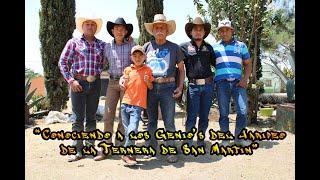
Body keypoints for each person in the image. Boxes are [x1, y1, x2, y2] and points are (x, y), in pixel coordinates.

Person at [58, 15, 106, 162]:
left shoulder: (102, 45)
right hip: (78, 83)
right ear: (82, 27)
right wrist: (71, 81)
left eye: (93, 24)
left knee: (91, 117)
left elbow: (111, 57)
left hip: (95, 83)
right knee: (78, 118)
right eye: (87, 24)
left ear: (96, 28)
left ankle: (89, 147)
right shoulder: (73, 42)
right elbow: (63, 62)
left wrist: (127, 39)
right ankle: (77, 150)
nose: (90, 26)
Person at [143, 14, 185, 163]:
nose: (159, 29)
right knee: (151, 121)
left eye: (162, 27)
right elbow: (138, 66)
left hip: (169, 87)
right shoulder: (146, 47)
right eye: (157, 27)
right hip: (151, 88)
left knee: (169, 121)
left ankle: (171, 150)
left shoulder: (175, 48)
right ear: (153, 31)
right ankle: (150, 148)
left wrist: (180, 86)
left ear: (167, 31)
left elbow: (181, 69)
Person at [94, 17, 136, 161]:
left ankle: (120, 146)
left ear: (126, 32)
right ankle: (106, 148)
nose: (119, 31)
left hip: (127, 84)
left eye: (122, 29)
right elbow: (101, 62)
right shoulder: (107, 46)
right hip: (111, 83)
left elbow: (138, 60)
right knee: (108, 116)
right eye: (116, 28)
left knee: (124, 116)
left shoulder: (132, 45)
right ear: (112, 31)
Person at [212, 19, 252, 146]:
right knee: (224, 112)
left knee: (243, 110)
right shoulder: (215, 48)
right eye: (221, 31)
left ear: (232, 31)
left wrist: (245, 79)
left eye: (226, 30)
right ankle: (225, 139)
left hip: (238, 83)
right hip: (221, 84)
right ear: (219, 33)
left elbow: (248, 64)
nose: (224, 33)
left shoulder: (241, 46)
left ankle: (239, 138)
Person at [180, 17, 216, 147]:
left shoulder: (209, 48)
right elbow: (177, 65)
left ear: (204, 32)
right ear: (191, 32)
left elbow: (217, 64)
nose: (198, 31)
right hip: (193, 86)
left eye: (201, 29)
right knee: (191, 115)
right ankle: (188, 140)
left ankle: (200, 140)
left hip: (208, 86)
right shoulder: (183, 47)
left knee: (204, 115)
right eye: (195, 29)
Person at [119, 45, 154, 166]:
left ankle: (125, 154)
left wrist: (147, 81)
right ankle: (131, 154)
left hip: (138, 106)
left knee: (132, 129)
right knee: (128, 131)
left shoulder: (148, 70)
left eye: (140, 55)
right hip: (125, 103)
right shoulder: (127, 70)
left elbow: (150, 87)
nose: (138, 58)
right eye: (135, 55)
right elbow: (123, 85)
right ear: (131, 57)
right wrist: (123, 83)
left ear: (144, 57)